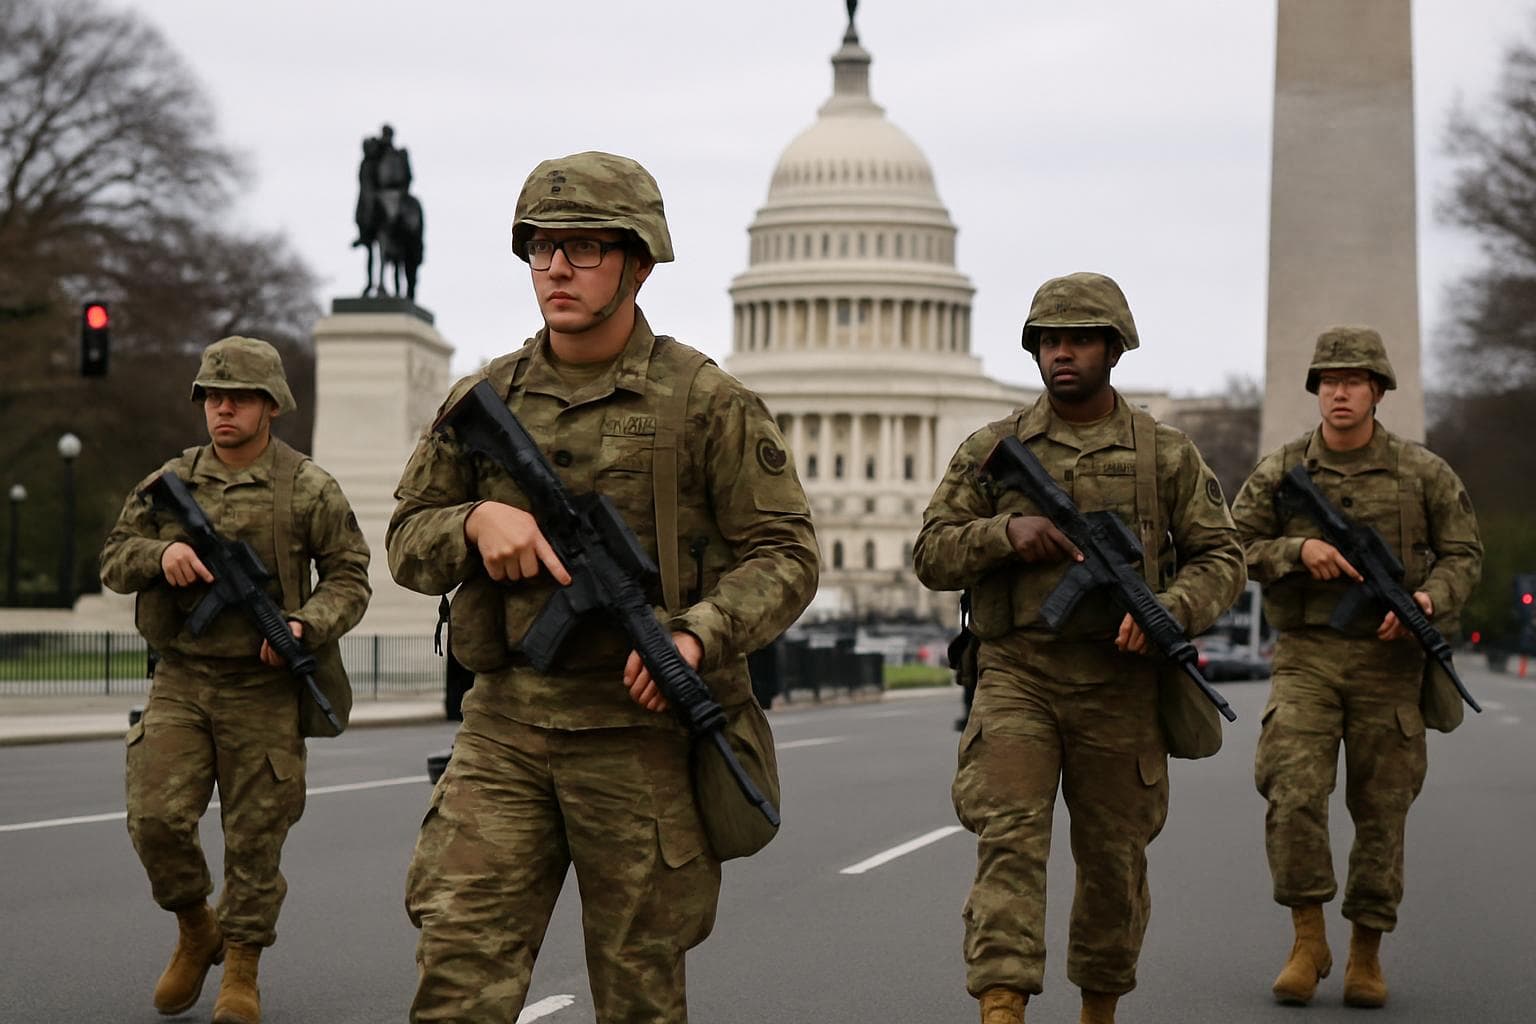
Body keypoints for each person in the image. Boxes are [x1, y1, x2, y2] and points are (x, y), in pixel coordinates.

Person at [388, 150, 819, 1023]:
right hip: (507, 727)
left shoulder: (707, 403)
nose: (555, 267)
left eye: (583, 248)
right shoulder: (487, 397)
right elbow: (405, 540)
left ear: (640, 261)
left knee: (638, 994)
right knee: (457, 971)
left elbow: (786, 553)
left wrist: (696, 635)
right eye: (542, 247)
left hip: (641, 741)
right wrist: (474, 524)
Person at [914, 272, 1246, 1024]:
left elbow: (1223, 557)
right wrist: (1007, 533)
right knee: (1008, 841)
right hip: (1017, 674)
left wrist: (1169, 609)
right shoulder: (994, 448)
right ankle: (1002, 1006)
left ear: (1113, 348)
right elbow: (932, 554)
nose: (1062, 354)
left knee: (1113, 865)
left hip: (1121, 684)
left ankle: (1100, 1008)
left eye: (1080, 340)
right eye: (1050, 341)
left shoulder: (1165, 454)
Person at [100, 336, 371, 1024]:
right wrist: (163, 557)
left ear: (270, 406)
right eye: (212, 398)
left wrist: (307, 625)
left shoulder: (308, 487)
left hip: (263, 688)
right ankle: (197, 927)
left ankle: (242, 970)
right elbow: (114, 559)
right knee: (156, 819)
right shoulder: (170, 482)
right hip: (182, 678)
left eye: (238, 398)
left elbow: (350, 575)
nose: (222, 409)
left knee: (255, 839)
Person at [1231, 326, 1482, 1008]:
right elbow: (1233, 546)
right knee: (1292, 790)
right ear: (1317, 390)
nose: (1340, 393)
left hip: (1390, 661)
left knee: (1382, 809)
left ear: (1378, 390)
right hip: (1307, 655)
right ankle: (1307, 937)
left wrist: (1430, 599)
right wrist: (1297, 550)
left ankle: (1366, 952)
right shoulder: (1283, 471)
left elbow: (1464, 553)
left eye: (1354, 381)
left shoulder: (1424, 473)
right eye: (1329, 382)